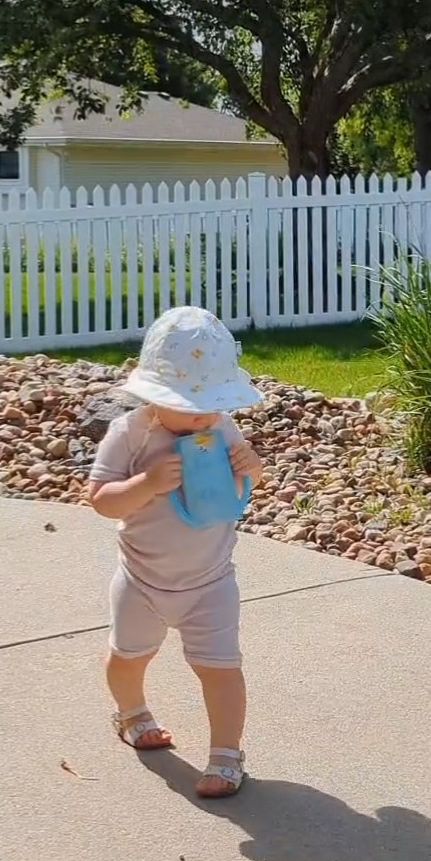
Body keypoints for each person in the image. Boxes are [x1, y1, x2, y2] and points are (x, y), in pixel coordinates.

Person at [86, 306, 264, 797]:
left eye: (213, 403)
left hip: (211, 581)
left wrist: (251, 467)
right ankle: (131, 712)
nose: (204, 415)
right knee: (128, 657)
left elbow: (238, 489)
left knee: (221, 666)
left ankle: (227, 754)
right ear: (152, 397)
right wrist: (146, 483)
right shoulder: (130, 434)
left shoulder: (221, 427)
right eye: (190, 404)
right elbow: (101, 500)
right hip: (142, 579)